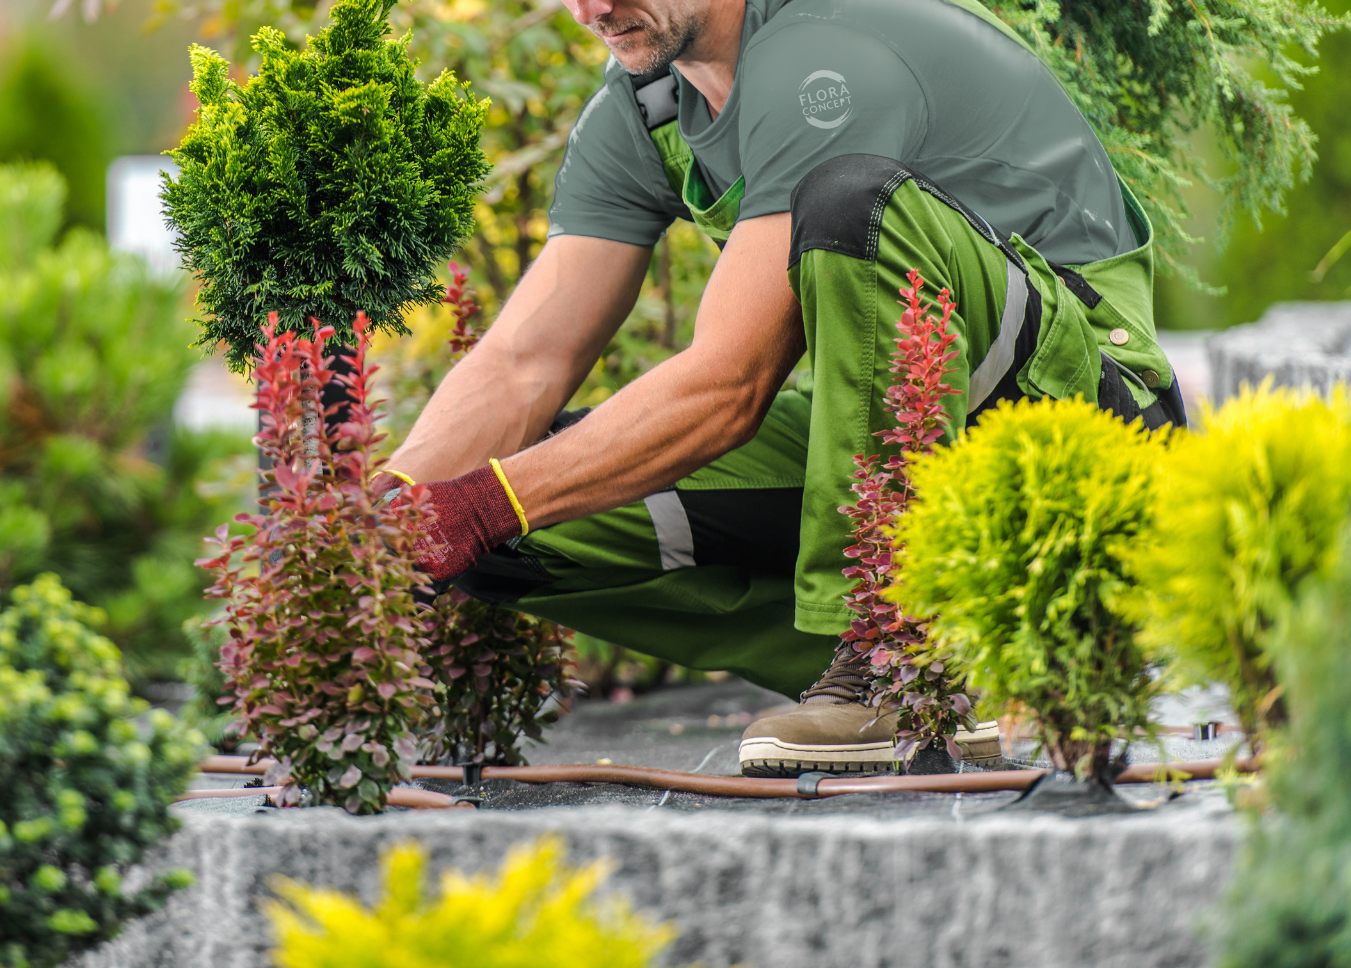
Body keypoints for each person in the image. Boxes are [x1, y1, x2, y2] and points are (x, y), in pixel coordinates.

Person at [377, 0, 1186, 776]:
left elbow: (730, 382)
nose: (592, 7)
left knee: (848, 203)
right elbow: (526, 361)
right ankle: (970, 665)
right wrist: (384, 520)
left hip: (1089, 438)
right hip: (918, 455)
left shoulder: (826, 50)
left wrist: (480, 503)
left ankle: (891, 662)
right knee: (515, 537)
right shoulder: (650, 104)